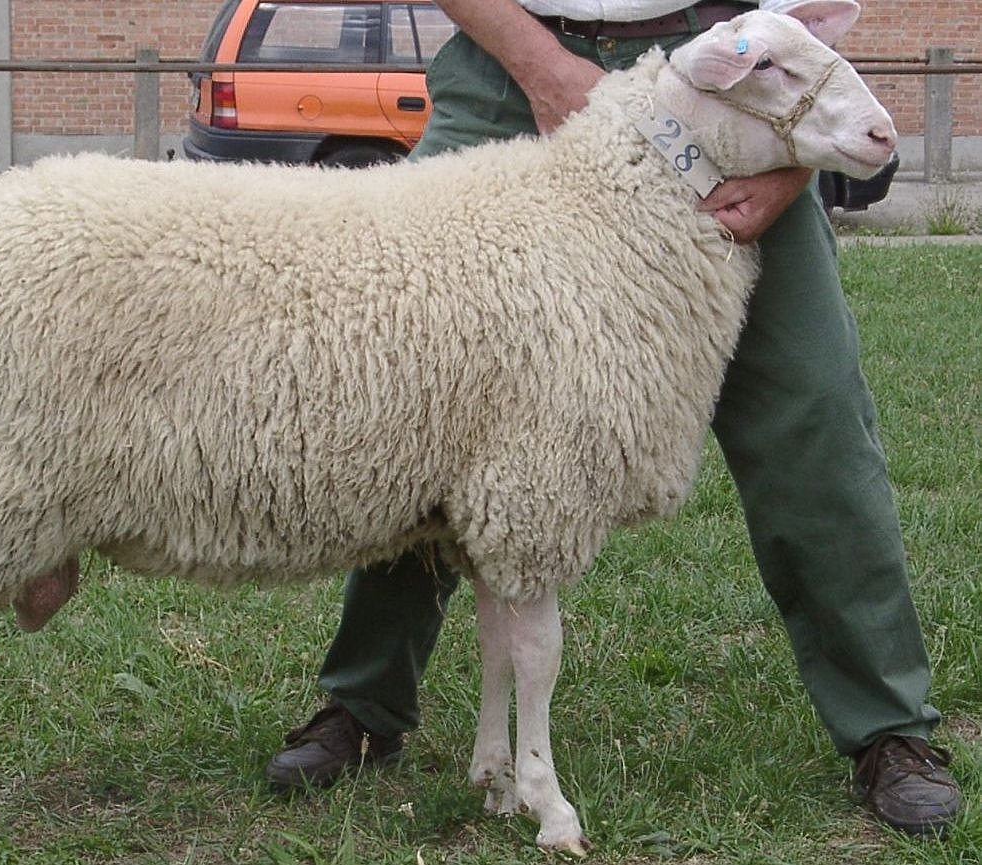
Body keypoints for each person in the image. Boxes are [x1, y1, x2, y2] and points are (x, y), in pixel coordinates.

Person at [264, 0, 962, 839]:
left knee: (811, 405)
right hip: (510, 61)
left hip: (729, 68)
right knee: (415, 387)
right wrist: (534, 60)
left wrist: (789, 158)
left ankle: (887, 726)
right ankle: (364, 702)